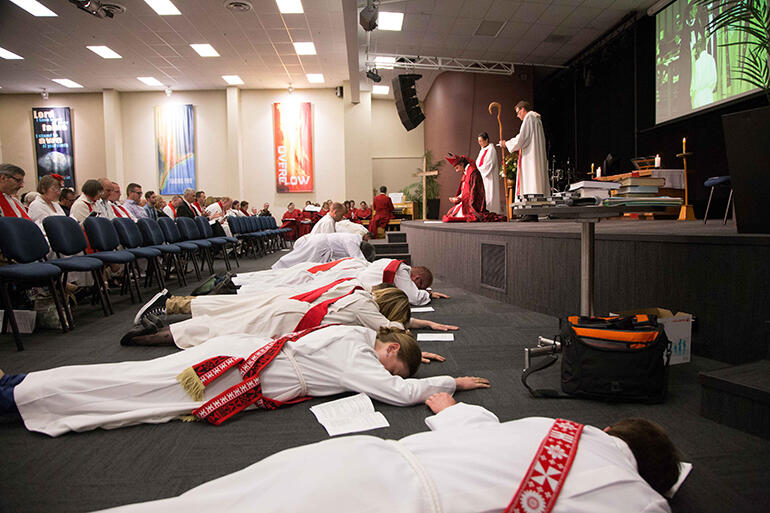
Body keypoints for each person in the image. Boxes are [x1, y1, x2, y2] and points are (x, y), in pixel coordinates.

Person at [94, 394, 679, 513]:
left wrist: (443, 395)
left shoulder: (550, 423)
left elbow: (458, 416)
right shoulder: (634, 497)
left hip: (363, 458)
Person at [0, 325, 488, 436]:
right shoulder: (358, 353)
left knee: (132, 380)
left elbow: (388, 368)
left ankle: (21, 382)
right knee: (132, 391)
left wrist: (413, 353)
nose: (385, 373)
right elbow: (397, 394)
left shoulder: (353, 333)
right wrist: (451, 383)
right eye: (392, 363)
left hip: (236, 358)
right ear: (385, 350)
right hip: (229, 375)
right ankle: (18, 394)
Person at [127, 282, 455, 354]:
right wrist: (417, 341)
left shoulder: (362, 295)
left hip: (291, 314)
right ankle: (158, 333)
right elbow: (392, 330)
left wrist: (426, 323)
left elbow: (389, 325)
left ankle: (164, 327)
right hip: (288, 321)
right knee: (222, 331)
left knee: (226, 324)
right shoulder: (366, 307)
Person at [501, 101, 549, 218]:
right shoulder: (536, 119)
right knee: (534, 181)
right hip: (534, 156)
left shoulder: (529, 118)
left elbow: (521, 139)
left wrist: (506, 144)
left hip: (530, 159)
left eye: (518, 112)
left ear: (523, 109)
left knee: (531, 181)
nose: (518, 116)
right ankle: (531, 212)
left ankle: (530, 213)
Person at [271, 232, 374, 270]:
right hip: (320, 245)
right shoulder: (352, 241)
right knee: (299, 259)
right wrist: (371, 267)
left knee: (307, 265)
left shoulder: (355, 239)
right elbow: (358, 259)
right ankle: (278, 267)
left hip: (323, 246)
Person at [442, 153, 487, 222]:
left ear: (462, 164)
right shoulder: (465, 172)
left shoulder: (473, 172)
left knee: (456, 216)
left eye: (457, 168)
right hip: (465, 201)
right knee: (451, 213)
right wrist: (458, 198)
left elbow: (474, 192)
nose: (457, 171)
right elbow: (464, 190)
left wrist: (461, 199)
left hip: (472, 203)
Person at [476, 131, 503, 214]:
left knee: (490, 193)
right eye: (479, 141)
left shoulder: (491, 150)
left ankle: (492, 212)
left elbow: (489, 164)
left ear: (486, 140)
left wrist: (480, 170)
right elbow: (478, 162)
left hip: (489, 176)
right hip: (483, 176)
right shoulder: (482, 150)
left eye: (481, 141)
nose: (480, 143)